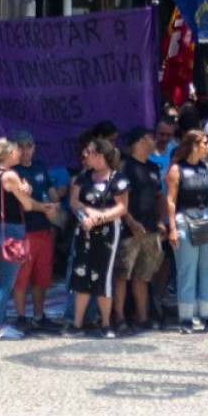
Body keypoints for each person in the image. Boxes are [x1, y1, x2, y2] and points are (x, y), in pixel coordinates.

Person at [163, 128, 208, 333]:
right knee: (187, 270)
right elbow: (171, 200)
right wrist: (172, 228)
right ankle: (186, 319)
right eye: (204, 143)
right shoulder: (176, 170)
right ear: (193, 145)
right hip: (185, 219)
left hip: (207, 218)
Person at [68, 137, 129, 335]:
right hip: (84, 230)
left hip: (107, 233)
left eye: (89, 153)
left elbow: (121, 207)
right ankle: (76, 324)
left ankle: (105, 324)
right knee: (81, 274)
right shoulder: (82, 177)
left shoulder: (117, 180)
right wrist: (85, 214)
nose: (85, 156)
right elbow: (74, 202)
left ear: (100, 155)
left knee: (103, 275)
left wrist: (99, 218)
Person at [0, 137, 38, 341]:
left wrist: (25, 192)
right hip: (12, 229)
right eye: (16, 151)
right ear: (7, 154)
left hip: (0, 227)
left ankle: (0, 322)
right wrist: (27, 192)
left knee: (4, 277)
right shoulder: (10, 176)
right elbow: (28, 205)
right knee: (7, 280)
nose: (19, 153)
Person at [12, 133, 67, 331]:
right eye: (21, 146)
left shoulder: (40, 167)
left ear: (34, 148)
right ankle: (20, 316)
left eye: (29, 146)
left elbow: (51, 191)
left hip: (43, 228)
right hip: (23, 229)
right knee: (21, 275)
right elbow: (23, 202)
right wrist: (45, 207)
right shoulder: (13, 171)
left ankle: (38, 314)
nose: (26, 150)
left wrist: (55, 205)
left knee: (42, 276)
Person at [114, 128, 164, 333]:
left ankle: (142, 317)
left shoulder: (153, 167)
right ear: (142, 140)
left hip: (150, 229)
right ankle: (119, 318)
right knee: (122, 274)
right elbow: (118, 198)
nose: (156, 141)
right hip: (129, 231)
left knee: (143, 275)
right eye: (153, 137)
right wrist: (131, 222)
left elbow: (159, 195)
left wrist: (161, 221)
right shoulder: (125, 166)